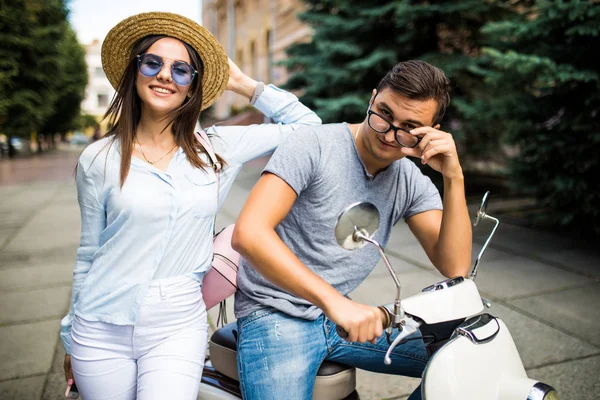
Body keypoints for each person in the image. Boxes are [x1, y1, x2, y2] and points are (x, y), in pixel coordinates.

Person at [59, 11, 321, 400]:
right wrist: (69, 335)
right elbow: (89, 252)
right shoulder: (98, 159)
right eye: (153, 63)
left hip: (177, 325)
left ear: (191, 87)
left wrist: (243, 85)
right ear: (135, 73)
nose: (166, 75)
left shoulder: (217, 149)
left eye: (181, 70)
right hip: (99, 327)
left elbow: (309, 128)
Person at [232, 60, 472, 400]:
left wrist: (453, 176)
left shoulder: (408, 180)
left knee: (467, 364)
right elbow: (249, 233)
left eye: (408, 127)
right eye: (384, 114)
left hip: (339, 317)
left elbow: (455, 266)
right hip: (275, 312)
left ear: (430, 131)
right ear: (372, 99)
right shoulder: (313, 144)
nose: (388, 133)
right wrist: (334, 302)